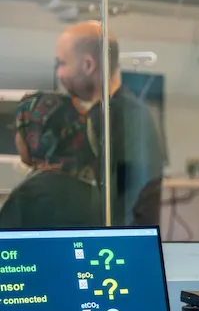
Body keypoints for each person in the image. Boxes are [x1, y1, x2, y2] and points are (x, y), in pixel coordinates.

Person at [56, 21, 165, 227]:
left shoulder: (109, 119)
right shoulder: (133, 113)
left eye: (62, 63)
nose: (59, 74)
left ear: (88, 65)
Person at [0, 91, 103, 229]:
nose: (16, 138)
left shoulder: (28, 198)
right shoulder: (98, 190)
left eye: (19, 129)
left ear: (36, 135)